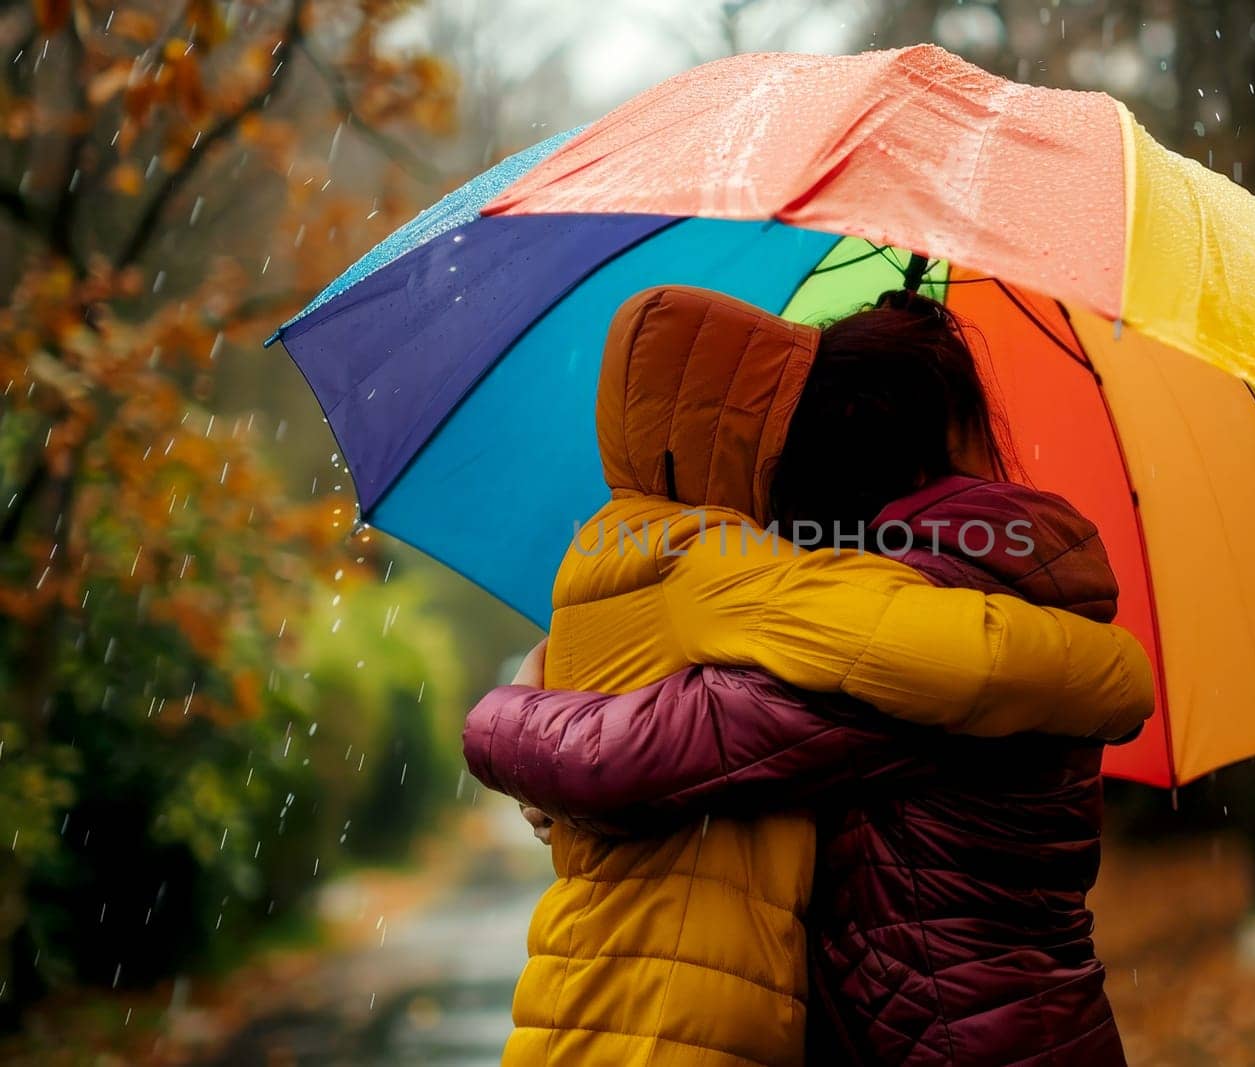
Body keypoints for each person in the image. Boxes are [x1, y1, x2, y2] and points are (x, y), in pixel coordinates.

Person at [464, 285, 1153, 1067]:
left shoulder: (906, 619)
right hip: (1032, 1028)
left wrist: (506, 716)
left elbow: (626, 756)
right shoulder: (998, 573)